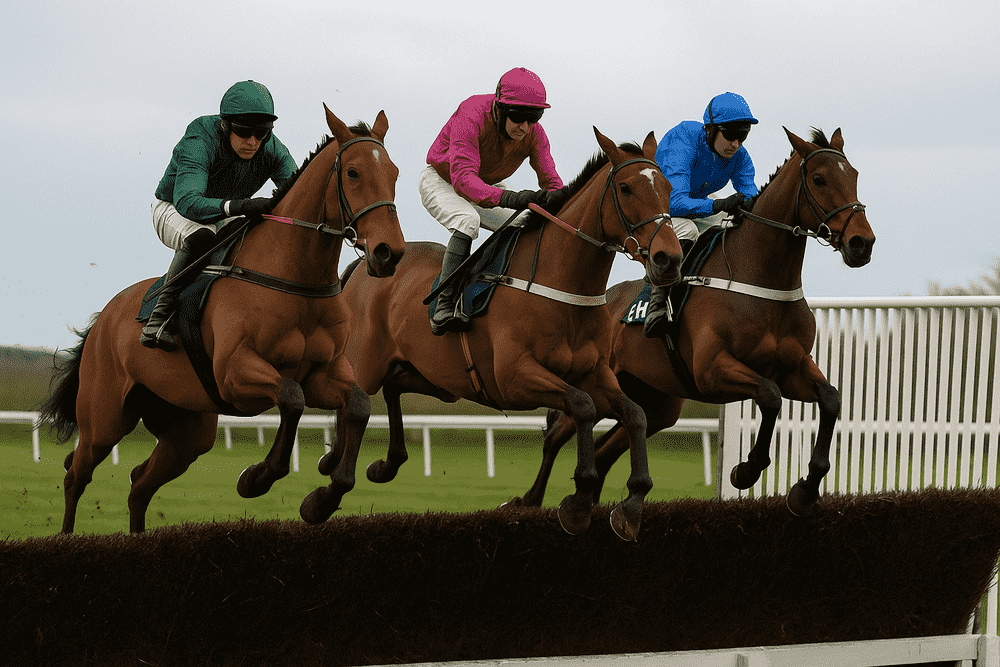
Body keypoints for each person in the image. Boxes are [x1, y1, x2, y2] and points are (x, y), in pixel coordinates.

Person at [140, 80, 298, 351]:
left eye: (262, 133)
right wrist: (239, 206)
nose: (253, 141)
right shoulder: (200, 136)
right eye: (244, 130)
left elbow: (297, 193)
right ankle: (158, 319)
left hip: (223, 214)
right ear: (225, 125)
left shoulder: (272, 150)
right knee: (203, 236)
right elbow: (188, 202)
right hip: (173, 209)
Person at [420, 67, 565, 335]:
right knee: (467, 220)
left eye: (534, 118)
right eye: (519, 117)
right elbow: (463, 179)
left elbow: (551, 181)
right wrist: (511, 197)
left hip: (484, 184)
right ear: (499, 108)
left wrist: (561, 201)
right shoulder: (471, 113)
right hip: (443, 180)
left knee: (524, 223)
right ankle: (444, 304)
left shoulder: (534, 133)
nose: (525, 126)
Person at [643, 91, 759, 339]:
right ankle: (658, 301)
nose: (736, 144)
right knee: (688, 229)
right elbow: (674, 202)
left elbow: (753, 201)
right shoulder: (683, 139)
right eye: (730, 135)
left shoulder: (740, 157)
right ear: (710, 129)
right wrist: (718, 206)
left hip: (692, 206)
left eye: (743, 136)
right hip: (659, 209)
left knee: (732, 223)